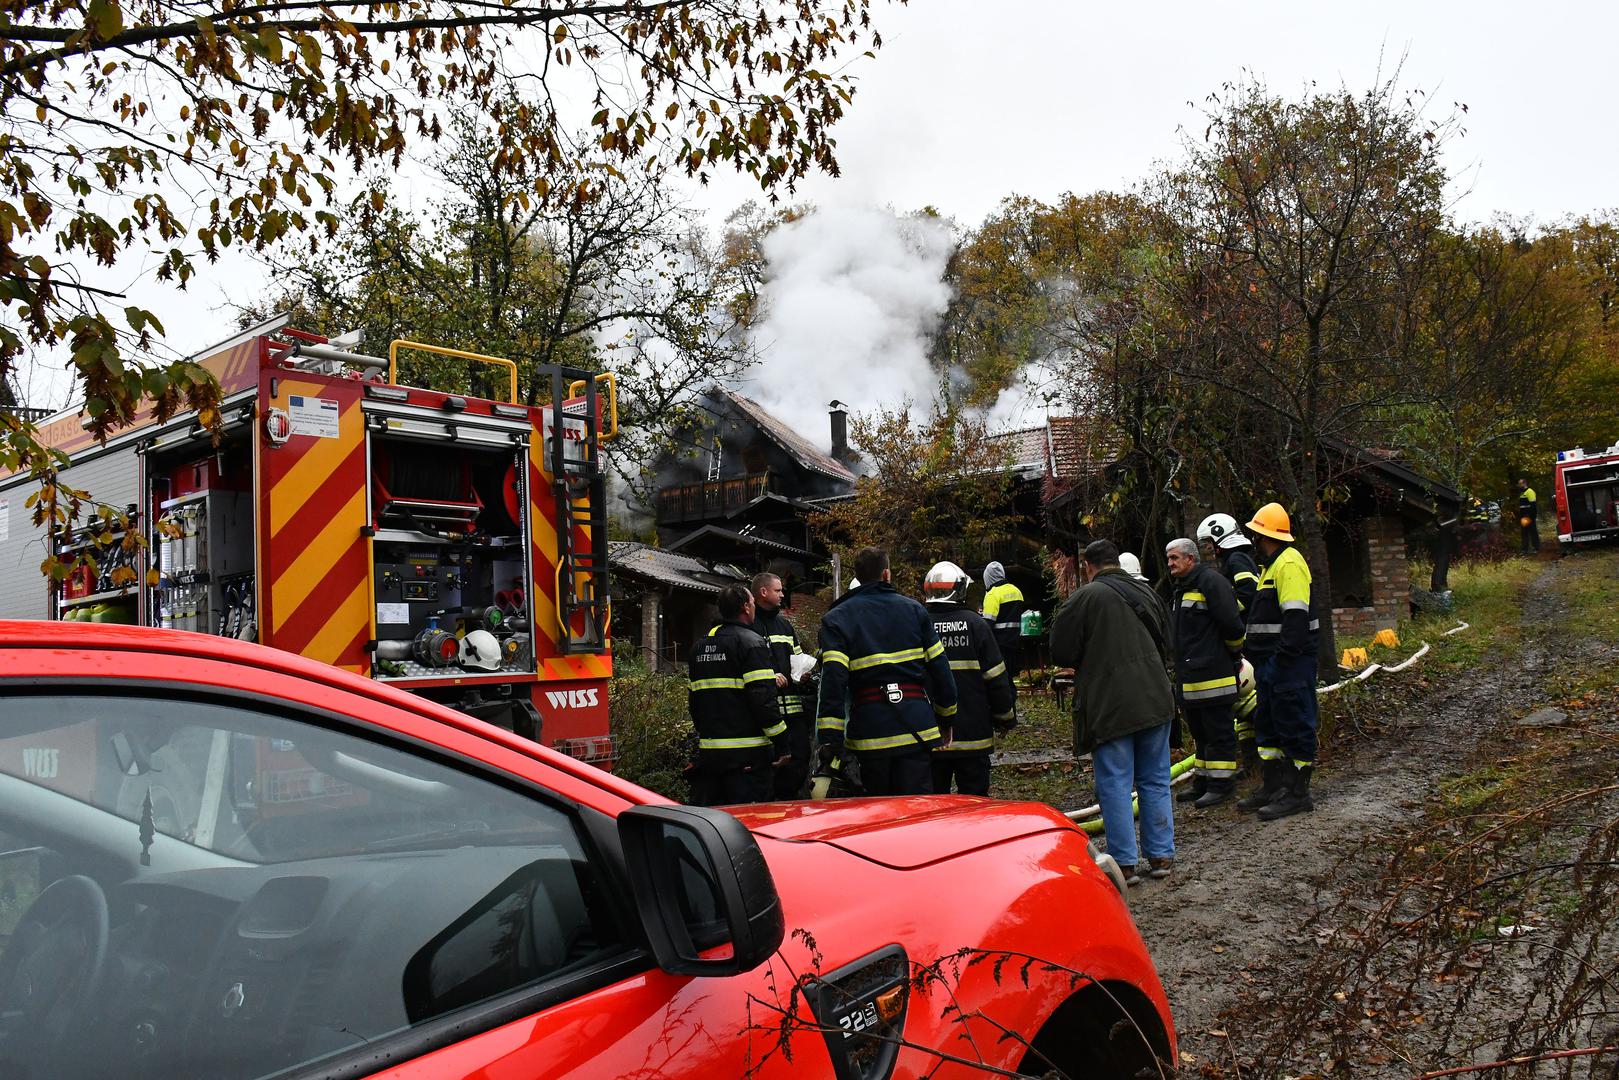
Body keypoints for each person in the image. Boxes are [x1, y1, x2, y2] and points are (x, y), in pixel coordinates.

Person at [1049, 540, 1176, 885]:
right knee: (1155, 779)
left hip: (1111, 705)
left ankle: (1124, 863)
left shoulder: (1086, 598)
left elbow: (1060, 649)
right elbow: (1168, 638)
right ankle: (1162, 856)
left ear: (1089, 566)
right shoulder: (1147, 592)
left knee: (1116, 783)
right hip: (1156, 699)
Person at [816, 547, 958, 796]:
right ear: (887, 574)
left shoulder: (836, 619)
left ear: (858, 578)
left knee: (877, 817)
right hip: (917, 729)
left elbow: (833, 684)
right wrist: (946, 719)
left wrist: (831, 741)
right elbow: (940, 668)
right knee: (917, 811)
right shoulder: (915, 611)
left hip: (870, 734)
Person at [1238, 503, 1320, 821]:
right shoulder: (1271, 568)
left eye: (1256, 535)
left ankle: (1299, 793)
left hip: (1289, 663)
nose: (1254, 541)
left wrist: (1283, 658)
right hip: (1272, 664)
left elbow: (1295, 617)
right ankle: (1273, 786)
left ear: (1263, 536)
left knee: (1295, 723)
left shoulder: (1289, 564)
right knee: (1268, 724)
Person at [687, 584, 790, 805]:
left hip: (711, 757)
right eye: (752, 602)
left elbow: (694, 701)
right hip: (748, 759)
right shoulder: (751, 643)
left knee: (718, 824)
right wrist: (782, 744)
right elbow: (763, 700)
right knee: (752, 823)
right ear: (745, 607)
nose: (753, 606)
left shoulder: (699, 647)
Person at [922, 560, 1017, 796]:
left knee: (933, 809)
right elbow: (996, 678)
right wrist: (1005, 717)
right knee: (976, 808)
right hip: (974, 736)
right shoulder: (976, 624)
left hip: (930, 738)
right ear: (960, 589)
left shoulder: (918, 623)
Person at [1165, 537, 1246, 808]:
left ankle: (1223, 785)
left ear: (1191, 558)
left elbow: (1233, 627)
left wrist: (1232, 656)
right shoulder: (1181, 589)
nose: (1170, 563)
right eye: (1168, 558)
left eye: (1175, 558)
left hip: (1215, 677)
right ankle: (1203, 781)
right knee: (1201, 735)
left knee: (1219, 733)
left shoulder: (1211, 582)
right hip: (1191, 679)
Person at [1196, 511, 1263, 776]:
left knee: (1249, 703)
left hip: (1246, 638)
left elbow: (1248, 594)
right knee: (1244, 709)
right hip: (1246, 637)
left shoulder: (1236, 560)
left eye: (1210, 544)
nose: (1209, 550)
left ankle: (1263, 761)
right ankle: (1252, 762)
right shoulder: (1237, 559)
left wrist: (1222, 611)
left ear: (1220, 537)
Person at [751, 572, 813, 799]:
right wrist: (769, 676)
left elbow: (797, 658)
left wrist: (803, 673)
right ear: (763, 592)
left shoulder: (785, 625)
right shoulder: (749, 625)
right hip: (766, 713)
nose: (782, 594)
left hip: (793, 713)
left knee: (799, 761)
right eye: (778, 590)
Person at [981, 561, 1026, 681]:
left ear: (988, 577)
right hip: (1015, 642)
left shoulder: (992, 594)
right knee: (1010, 677)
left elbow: (987, 625)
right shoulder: (1016, 591)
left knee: (1000, 679)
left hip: (999, 645)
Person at [1517, 478, 1540, 555]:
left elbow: (1533, 505)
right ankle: (1524, 550)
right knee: (1524, 533)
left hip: (1529, 516)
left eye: (1520, 484)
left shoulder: (1529, 492)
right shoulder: (1522, 493)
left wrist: (1532, 516)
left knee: (1533, 532)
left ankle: (1536, 548)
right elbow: (1522, 506)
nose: (1519, 485)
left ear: (1524, 483)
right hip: (1524, 517)